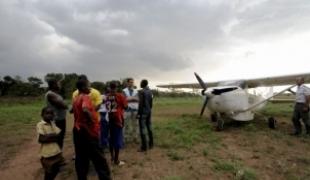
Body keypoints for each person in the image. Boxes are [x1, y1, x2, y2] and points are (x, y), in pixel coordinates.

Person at [72, 79, 111, 180]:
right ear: (82, 88)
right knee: (99, 158)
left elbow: (72, 110)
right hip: (88, 131)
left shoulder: (76, 98)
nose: (90, 88)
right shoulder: (85, 97)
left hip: (77, 130)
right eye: (88, 86)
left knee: (81, 157)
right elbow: (85, 110)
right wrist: (92, 120)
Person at [37, 106, 66, 180]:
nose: (49, 115)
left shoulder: (52, 123)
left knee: (56, 169)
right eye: (47, 113)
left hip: (56, 151)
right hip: (47, 154)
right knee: (49, 171)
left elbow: (59, 135)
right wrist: (53, 136)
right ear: (42, 115)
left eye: (51, 113)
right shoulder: (40, 124)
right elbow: (42, 139)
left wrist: (49, 136)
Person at [106, 82, 127, 165]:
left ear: (109, 87)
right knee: (117, 140)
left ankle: (112, 157)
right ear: (116, 87)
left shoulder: (107, 96)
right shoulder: (120, 95)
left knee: (111, 139)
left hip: (110, 119)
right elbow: (125, 106)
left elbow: (108, 108)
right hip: (118, 120)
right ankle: (116, 160)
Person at [45, 79, 67, 149]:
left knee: (60, 138)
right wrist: (65, 105)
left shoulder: (56, 94)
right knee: (57, 138)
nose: (60, 85)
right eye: (58, 83)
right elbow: (62, 105)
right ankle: (55, 156)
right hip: (56, 120)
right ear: (54, 85)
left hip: (60, 119)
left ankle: (58, 155)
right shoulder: (50, 94)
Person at [137, 79, 154, 152]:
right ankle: (151, 144)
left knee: (142, 128)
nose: (140, 84)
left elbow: (141, 104)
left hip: (143, 112)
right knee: (149, 127)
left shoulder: (142, 92)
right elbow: (151, 102)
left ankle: (144, 147)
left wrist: (138, 113)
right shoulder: (150, 91)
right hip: (149, 111)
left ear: (143, 84)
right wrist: (149, 109)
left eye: (140, 83)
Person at [122, 78, 139, 143]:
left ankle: (135, 138)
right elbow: (123, 100)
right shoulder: (124, 91)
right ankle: (126, 138)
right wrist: (133, 98)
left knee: (135, 125)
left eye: (132, 82)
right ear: (127, 83)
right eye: (130, 82)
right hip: (127, 110)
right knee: (126, 125)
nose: (131, 83)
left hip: (135, 110)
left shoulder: (136, 90)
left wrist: (129, 98)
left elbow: (138, 99)